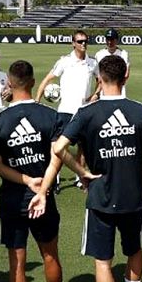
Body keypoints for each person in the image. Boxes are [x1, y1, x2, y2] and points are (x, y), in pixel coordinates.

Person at [30, 55, 142, 282]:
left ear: (99, 79)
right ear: (126, 77)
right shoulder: (139, 110)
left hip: (100, 198)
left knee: (103, 262)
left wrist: (82, 172)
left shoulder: (87, 112)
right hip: (132, 198)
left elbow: (59, 149)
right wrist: (140, 186)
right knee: (134, 251)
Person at [0, 60, 75, 282]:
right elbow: (58, 156)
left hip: (13, 199)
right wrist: (40, 186)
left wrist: (25, 180)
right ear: (33, 82)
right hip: (44, 197)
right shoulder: (50, 116)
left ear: (9, 83)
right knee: (50, 253)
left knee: (17, 261)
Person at [36, 30, 99, 188]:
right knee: (59, 146)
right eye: (80, 41)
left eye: (85, 41)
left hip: (84, 111)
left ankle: (79, 176)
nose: (83, 44)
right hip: (66, 111)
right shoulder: (64, 61)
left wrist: (95, 94)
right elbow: (48, 79)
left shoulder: (92, 62)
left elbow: (101, 80)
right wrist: (37, 99)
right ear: (73, 43)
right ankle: (54, 178)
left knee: (83, 147)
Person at [95, 28, 130, 96]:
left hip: (119, 92)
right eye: (107, 39)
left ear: (116, 40)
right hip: (103, 93)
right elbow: (98, 77)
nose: (109, 42)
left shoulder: (124, 54)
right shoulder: (99, 54)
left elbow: (126, 74)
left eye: (112, 39)